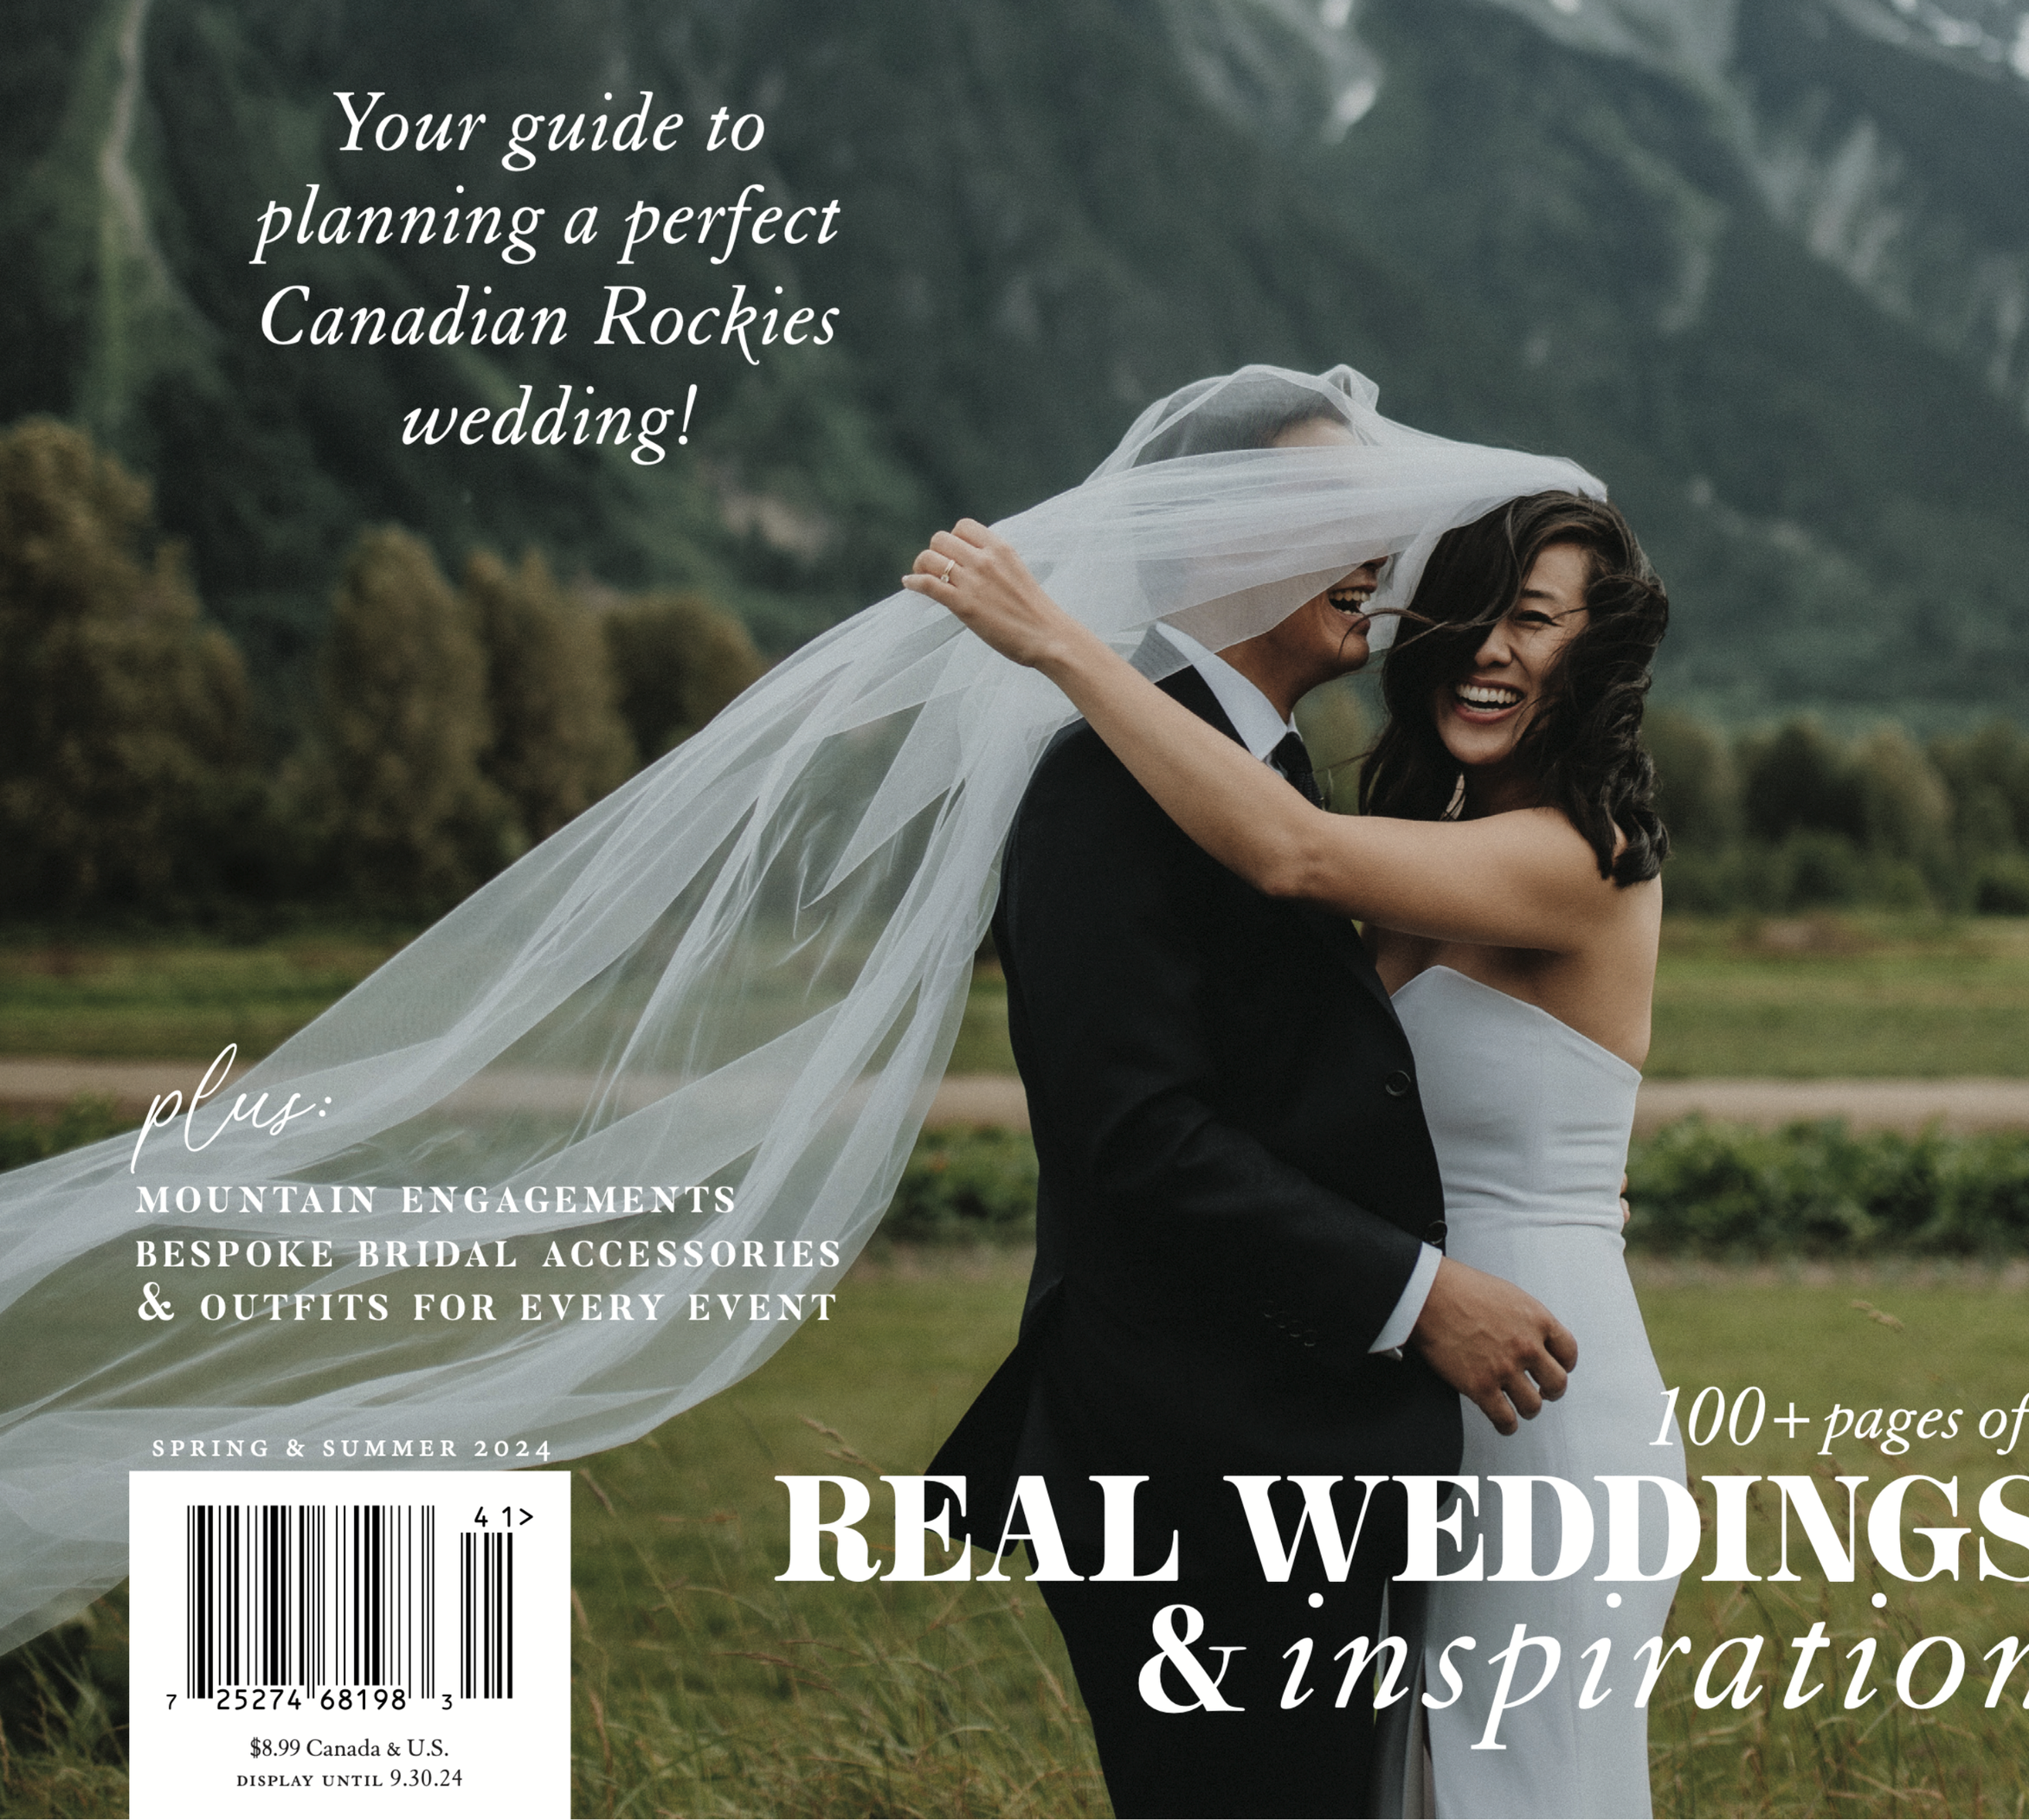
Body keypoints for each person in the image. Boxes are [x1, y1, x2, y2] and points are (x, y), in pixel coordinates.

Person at [0, 364, 1603, 1675]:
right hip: (1191, 1462)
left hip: (1295, 1445)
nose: (1376, 552)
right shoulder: (1107, 789)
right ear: (1197, 543)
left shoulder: (1257, 772)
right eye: (1324, 514)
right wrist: (1416, 1294)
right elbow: (1138, 1138)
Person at [905, 484, 1675, 1820]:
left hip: (1537, 1390)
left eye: (1536, 622)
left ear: (1595, 658)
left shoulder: (1581, 857)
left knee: (1525, 1786)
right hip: (1405, 1393)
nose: (1489, 649)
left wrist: (1060, 644)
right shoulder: (1430, 848)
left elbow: (1288, 853)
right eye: (1469, 614)